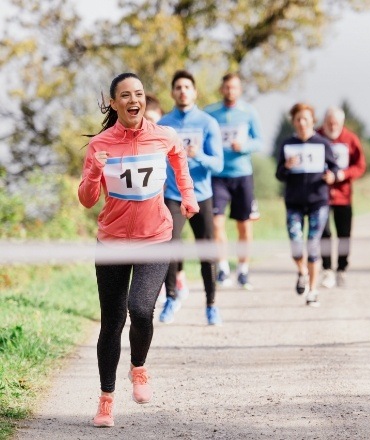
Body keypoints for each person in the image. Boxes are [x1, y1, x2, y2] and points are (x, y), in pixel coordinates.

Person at [78, 72, 199, 427]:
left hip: (155, 237)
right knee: (112, 322)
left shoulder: (164, 136)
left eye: (139, 94)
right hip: (112, 242)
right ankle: (106, 400)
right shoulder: (100, 144)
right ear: (114, 104)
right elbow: (87, 200)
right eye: (126, 96)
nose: (134, 100)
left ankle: (139, 368)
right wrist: (93, 175)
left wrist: (188, 196)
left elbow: (180, 161)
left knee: (141, 309)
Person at [158, 70, 224, 325]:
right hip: (174, 194)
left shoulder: (208, 123)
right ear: (172, 93)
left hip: (202, 195)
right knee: (170, 244)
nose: (183, 91)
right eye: (178, 87)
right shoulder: (164, 124)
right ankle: (172, 297)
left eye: (187, 87)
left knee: (206, 250)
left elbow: (218, 165)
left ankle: (211, 305)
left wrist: (198, 155)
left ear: (195, 92)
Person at [275, 103, 339, 307]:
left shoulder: (322, 144)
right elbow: (279, 174)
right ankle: (302, 271)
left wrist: (332, 176)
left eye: (305, 119)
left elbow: (335, 168)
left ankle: (313, 290)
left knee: (312, 246)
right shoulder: (287, 145)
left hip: (318, 202)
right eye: (297, 119)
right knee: (296, 245)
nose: (302, 123)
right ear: (293, 122)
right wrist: (286, 166)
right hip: (294, 202)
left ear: (313, 120)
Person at [204, 73, 263, 290]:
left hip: (242, 175)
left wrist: (244, 146)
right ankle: (222, 268)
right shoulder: (210, 113)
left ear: (239, 90)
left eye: (234, 88)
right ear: (222, 89)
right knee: (217, 223)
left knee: (244, 226)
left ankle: (243, 270)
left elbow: (260, 141)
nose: (230, 91)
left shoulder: (248, 112)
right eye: (227, 87)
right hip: (218, 175)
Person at [317, 107, 366, 288]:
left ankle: (342, 269)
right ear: (324, 121)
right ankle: (327, 269)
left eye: (336, 123)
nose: (332, 126)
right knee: (324, 233)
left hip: (343, 196)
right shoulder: (316, 137)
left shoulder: (350, 139)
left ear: (342, 123)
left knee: (344, 234)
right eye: (329, 122)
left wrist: (342, 175)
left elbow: (360, 166)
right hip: (320, 195)